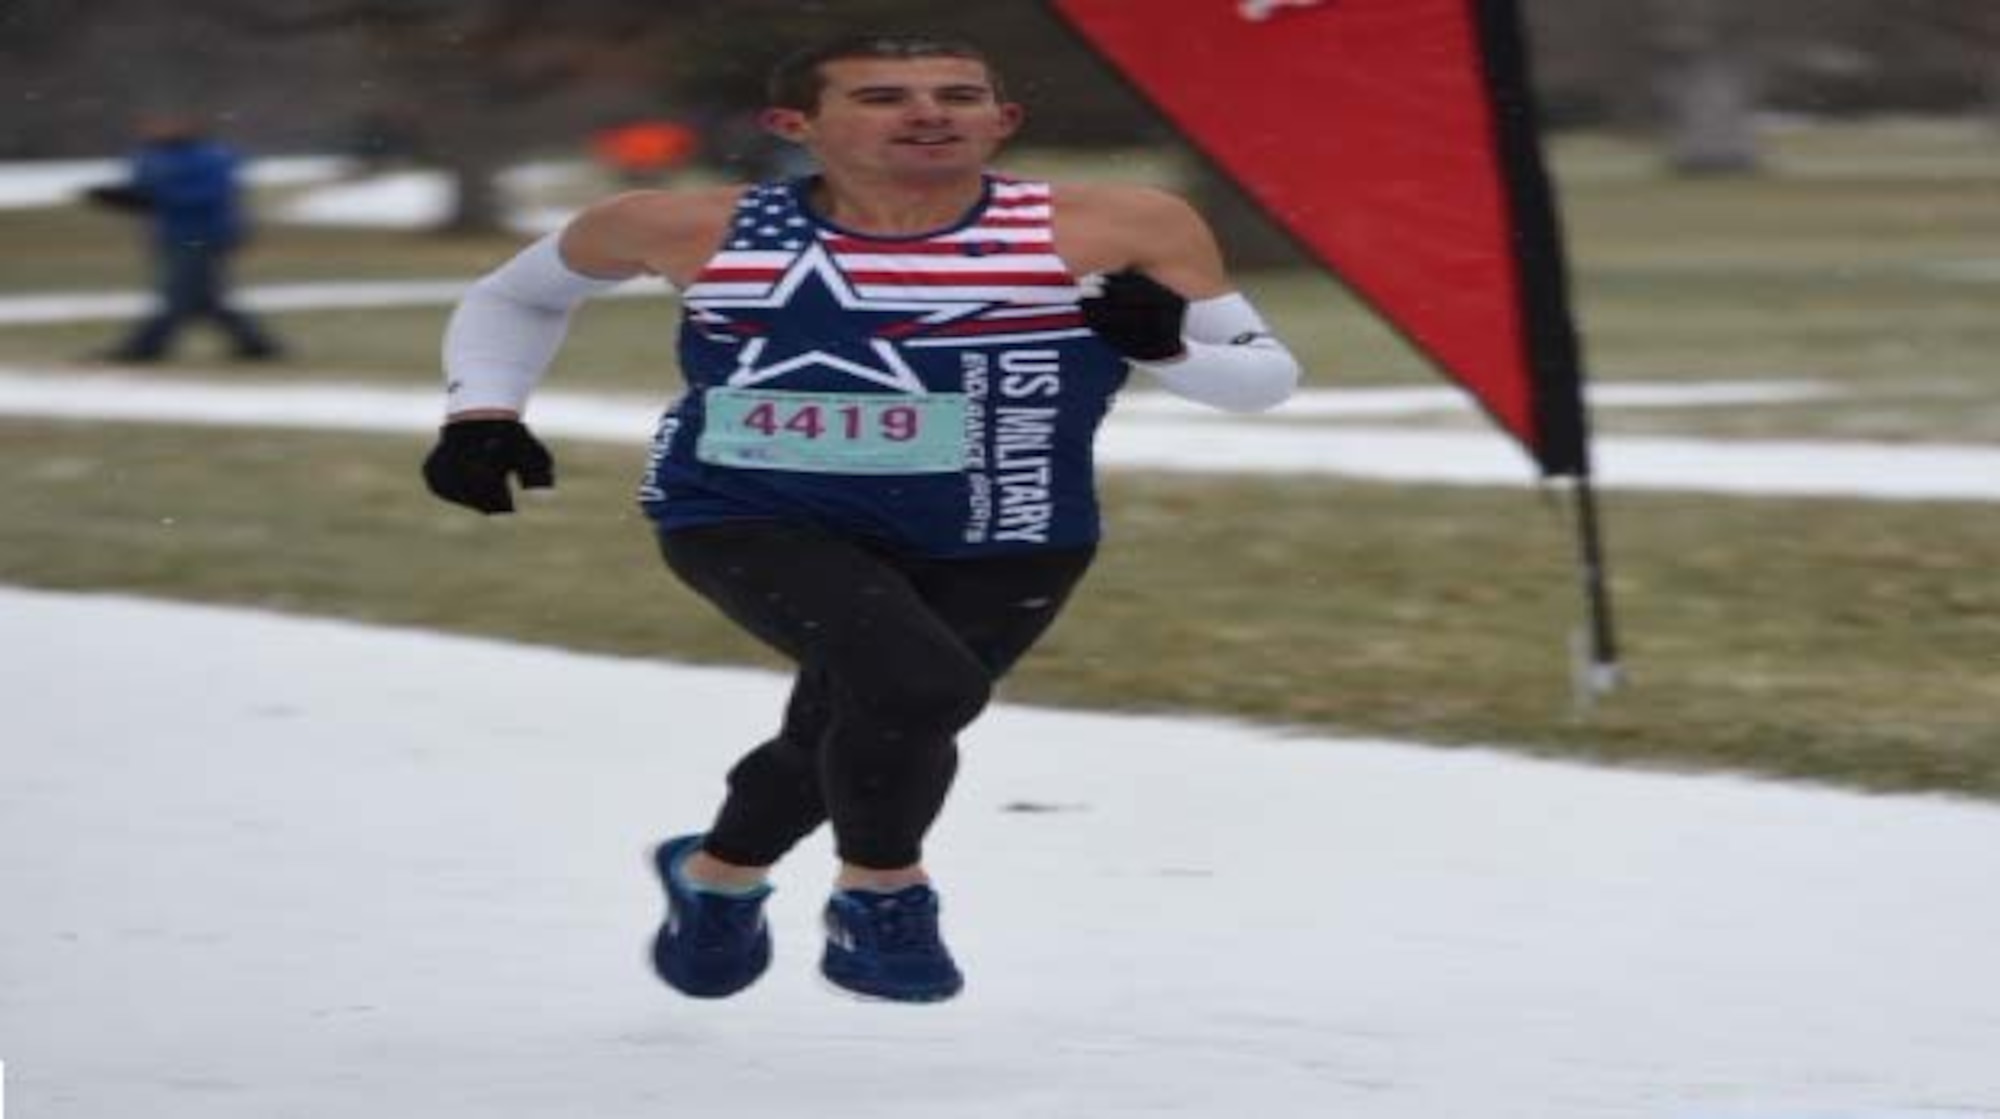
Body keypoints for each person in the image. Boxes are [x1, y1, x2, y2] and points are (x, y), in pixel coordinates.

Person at [421, 34, 1300, 1003]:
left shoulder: (1118, 224)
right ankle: (881, 896)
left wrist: (1170, 350)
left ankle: (715, 875)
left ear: (1001, 122)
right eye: (883, 96)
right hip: (746, 506)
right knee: (914, 689)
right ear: (794, 126)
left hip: (1008, 521)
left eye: (958, 94)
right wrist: (481, 414)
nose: (927, 112)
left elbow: (1263, 381)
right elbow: (516, 296)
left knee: (858, 718)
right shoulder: (682, 225)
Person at [86, 112, 283, 363]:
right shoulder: (149, 157)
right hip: (170, 234)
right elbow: (145, 193)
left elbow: (208, 195)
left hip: (204, 234)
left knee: (179, 295)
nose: (158, 130)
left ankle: (143, 348)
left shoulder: (210, 157)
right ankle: (257, 345)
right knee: (203, 298)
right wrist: (121, 197)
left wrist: (155, 198)